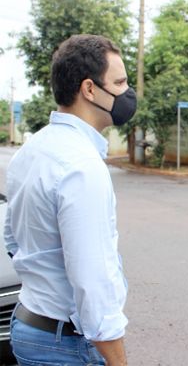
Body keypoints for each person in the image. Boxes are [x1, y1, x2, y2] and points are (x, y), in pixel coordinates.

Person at [4, 34, 137, 365]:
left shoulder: (32, 150)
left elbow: (12, 239)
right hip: (65, 345)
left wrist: (45, 277)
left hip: (28, 325)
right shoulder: (82, 167)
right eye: (119, 83)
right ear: (90, 89)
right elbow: (93, 282)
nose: (128, 93)